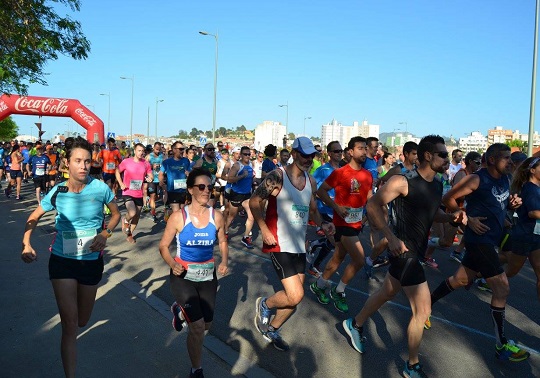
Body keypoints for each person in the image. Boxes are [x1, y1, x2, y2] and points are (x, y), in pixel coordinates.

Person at [341, 135, 462, 378]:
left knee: (388, 291)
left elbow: (432, 212)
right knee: (422, 310)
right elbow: (373, 205)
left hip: (415, 252)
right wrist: (390, 236)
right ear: (428, 156)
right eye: (443, 155)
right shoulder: (403, 181)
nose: (447, 159)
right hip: (403, 252)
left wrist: (450, 218)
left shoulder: (438, 184)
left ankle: (355, 324)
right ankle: (412, 365)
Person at [21, 136, 120, 378]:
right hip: (62, 262)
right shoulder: (58, 191)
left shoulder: (101, 189)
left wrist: (106, 233)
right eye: (78, 161)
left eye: (87, 161)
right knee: (69, 324)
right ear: (68, 163)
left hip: (90, 263)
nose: (84, 166)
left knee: (83, 320)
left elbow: (116, 214)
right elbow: (33, 217)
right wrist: (26, 243)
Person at [429, 143, 530, 362]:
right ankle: (501, 344)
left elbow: (498, 205)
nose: (511, 162)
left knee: (458, 280)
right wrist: (466, 219)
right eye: (506, 158)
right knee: (502, 288)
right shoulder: (476, 179)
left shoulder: (504, 179)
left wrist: (511, 207)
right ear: (492, 159)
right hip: (479, 240)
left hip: (491, 239)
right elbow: (447, 200)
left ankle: (425, 305)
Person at [251, 137, 334, 351]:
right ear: (294, 154)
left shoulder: (311, 181)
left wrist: (324, 224)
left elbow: (313, 208)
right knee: (295, 294)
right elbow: (254, 201)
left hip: (298, 245)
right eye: (304, 155)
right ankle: (265, 304)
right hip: (278, 242)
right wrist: (264, 229)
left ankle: (272, 328)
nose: (309, 159)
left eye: (312, 156)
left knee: (296, 298)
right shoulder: (277, 176)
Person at [159, 168, 228, 378]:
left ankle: (179, 312)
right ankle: (196, 370)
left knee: (206, 325)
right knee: (197, 327)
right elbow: (163, 246)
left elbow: (223, 240)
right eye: (201, 187)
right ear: (190, 189)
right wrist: (172, 263)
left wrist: (224, 260)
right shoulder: (178, 217)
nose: (207, 190)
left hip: (207, 275)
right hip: (183, 276)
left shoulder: (217, 216)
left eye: (210, 187)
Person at [310, 136, 373, 313]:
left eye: (365, 148)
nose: (364, 151)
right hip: (342, 224)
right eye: (360, 148)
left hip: (356, 223)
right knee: (359, 259)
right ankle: (339, 291)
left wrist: (371, 214)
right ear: (350, 152)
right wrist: (336, 207)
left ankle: (319, 285)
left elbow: (369, 199)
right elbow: (321, 191)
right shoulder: (340, 173)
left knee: (337, 258)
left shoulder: (367, 175)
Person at [306, 140, 342, 277]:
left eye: (341, 151)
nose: (339, 153)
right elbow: (312, 187)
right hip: (325, 210)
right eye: (336, 151)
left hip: (338, 211)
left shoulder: (342, 170)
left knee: (336, 242)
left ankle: (314, 246)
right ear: (330, 153)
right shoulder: (323, 170)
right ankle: (314, 264)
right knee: (334, 242)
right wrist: (323, 199)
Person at [507, 156, 540, 301]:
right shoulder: (530, 188)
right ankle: (480, 275)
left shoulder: (537, 188)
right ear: (532, 170)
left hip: (536, 236)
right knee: (511, 271)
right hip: (525, 236)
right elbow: (533, 213)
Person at [115, 143, 153, 244]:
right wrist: (121, 183)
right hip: (127, 191)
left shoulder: (146, 163)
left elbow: (150, 174)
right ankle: (125, 220)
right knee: (132, 212)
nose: (141, 153)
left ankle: (129, 234)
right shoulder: (126, 162)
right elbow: (117, 171)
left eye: (142, 151)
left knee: (136, 216)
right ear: (134, 151)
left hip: (139, 193)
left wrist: (150, 178)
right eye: (139, 150)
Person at [225, 146, 255, 248]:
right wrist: (242, 176)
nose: (247, 156)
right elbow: (229, 179)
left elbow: (251, 178)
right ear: (241, 155)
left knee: (251, 216)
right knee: (231, 216)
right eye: (245, 154)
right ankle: (225, 231)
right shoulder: (237, 166)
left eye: (249, 154)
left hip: (247, 194)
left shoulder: (251, 164)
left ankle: (246, 237)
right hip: (237, 194)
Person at [159, 141, 192, 219]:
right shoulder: (167, 162)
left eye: (183, 149)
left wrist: (189, 173)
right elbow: (161, 174)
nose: (182, 151)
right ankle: (178, 230)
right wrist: (161, 182)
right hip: (172, 190)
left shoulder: (185, 161)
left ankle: (168, 212)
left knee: (182, 211)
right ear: (174, 150)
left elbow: (189, 172)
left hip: (183, 190)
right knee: (177, 212)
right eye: (180, 149)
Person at [146, 142, 164, 222]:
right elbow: (144, 167)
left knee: (157, 197)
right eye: (156, 149)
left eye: (159, 149)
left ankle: (149, 201)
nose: (157, 151)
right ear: (154, 148)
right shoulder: (149, 156)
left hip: (159, 179)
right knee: (153, 196)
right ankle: (153, 213)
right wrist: (151, 166)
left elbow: (165, 166)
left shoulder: (162, 156)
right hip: (152, 179)